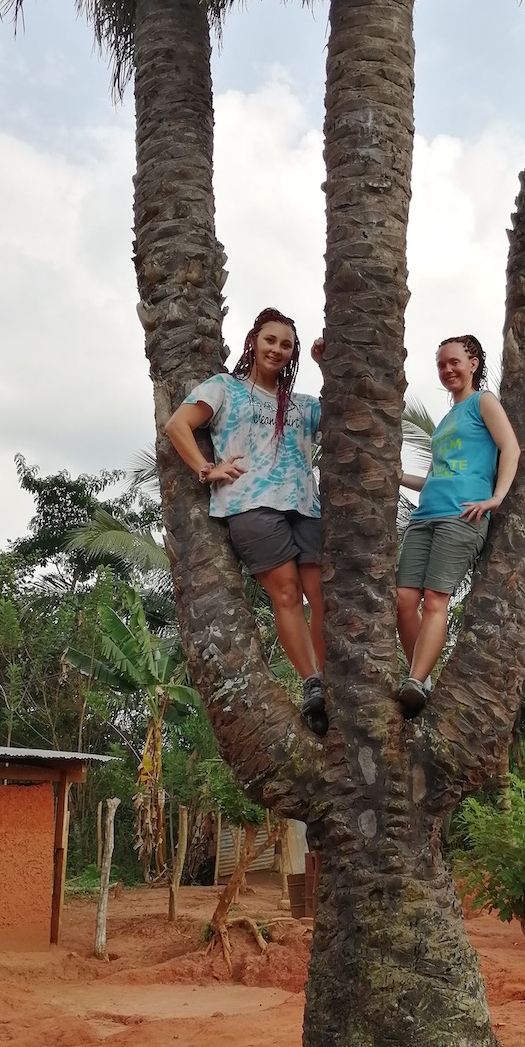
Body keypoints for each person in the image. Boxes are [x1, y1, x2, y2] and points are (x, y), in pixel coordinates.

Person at [164, 308, 327, 736]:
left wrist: (330, 366)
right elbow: (178, 424)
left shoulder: (302, 405)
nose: (277, 349)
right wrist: (206, 468)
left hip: (306, 506)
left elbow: (350, 415)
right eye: (270, 339)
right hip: (250, 508)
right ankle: (312, 684)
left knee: (325, 593)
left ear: (293, 354)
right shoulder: (225, 388)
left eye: (286, 344)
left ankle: (333, 682)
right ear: (254, 340)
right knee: (288, 594)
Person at [396, 334, 521, 717]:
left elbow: (511, 449)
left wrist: (496, 498)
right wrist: (399, 477)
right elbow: (435, 475)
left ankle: (415, 681)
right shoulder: (445, 421)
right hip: (426, 514)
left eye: (454, 362)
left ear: (473, 364)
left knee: (435, 599)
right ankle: (425, 674)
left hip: (462, 514)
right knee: (403, 600)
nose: (448, 369)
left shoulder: (483, 403)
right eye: (441, 364)